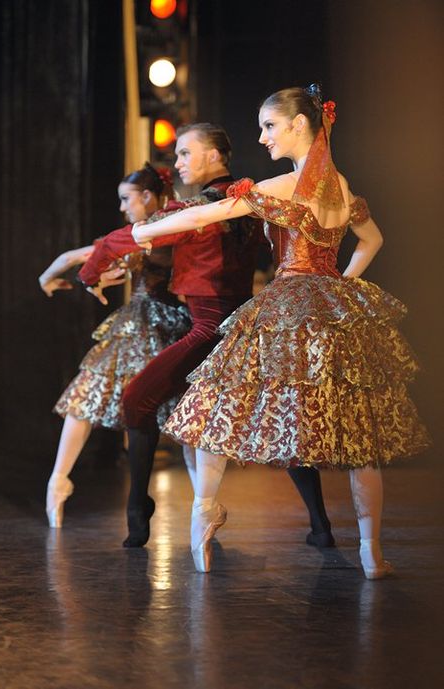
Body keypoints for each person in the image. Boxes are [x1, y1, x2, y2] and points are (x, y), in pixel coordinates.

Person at [131, 86, 431, 577]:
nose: (262, 135)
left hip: (288, 303)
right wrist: (340, 287)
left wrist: (144, 232)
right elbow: (372, 238)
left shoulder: (289, 187)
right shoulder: (340, 183)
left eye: (269, 125)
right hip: (331, 309)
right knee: (359, 431)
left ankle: (202, 521)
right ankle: (371, 553)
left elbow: (212, 212)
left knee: (219, 401)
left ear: (298, 125)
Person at [79, 122, 335, 550]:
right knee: (280, 418)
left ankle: (137, 509)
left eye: (184, 154)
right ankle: (321, 525)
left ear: (214, 156)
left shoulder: (207, 205)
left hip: (210, 329)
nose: (177, 163)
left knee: (135, 400)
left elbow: (137, 234)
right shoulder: (249, 198)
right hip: (244, 326)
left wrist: (91, 270)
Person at [40, 163, 191, 527]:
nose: (123, 208)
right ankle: (58, 480)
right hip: (150, 325)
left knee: (179, 414)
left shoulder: (153, 231)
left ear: (148, 196)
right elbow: (76, 259)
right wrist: (55, 277)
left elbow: (69, 260)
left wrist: (48, 279)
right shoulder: (159, 229)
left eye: (127, 199)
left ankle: (58, 481)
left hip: (160, 325)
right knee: (93, 393)